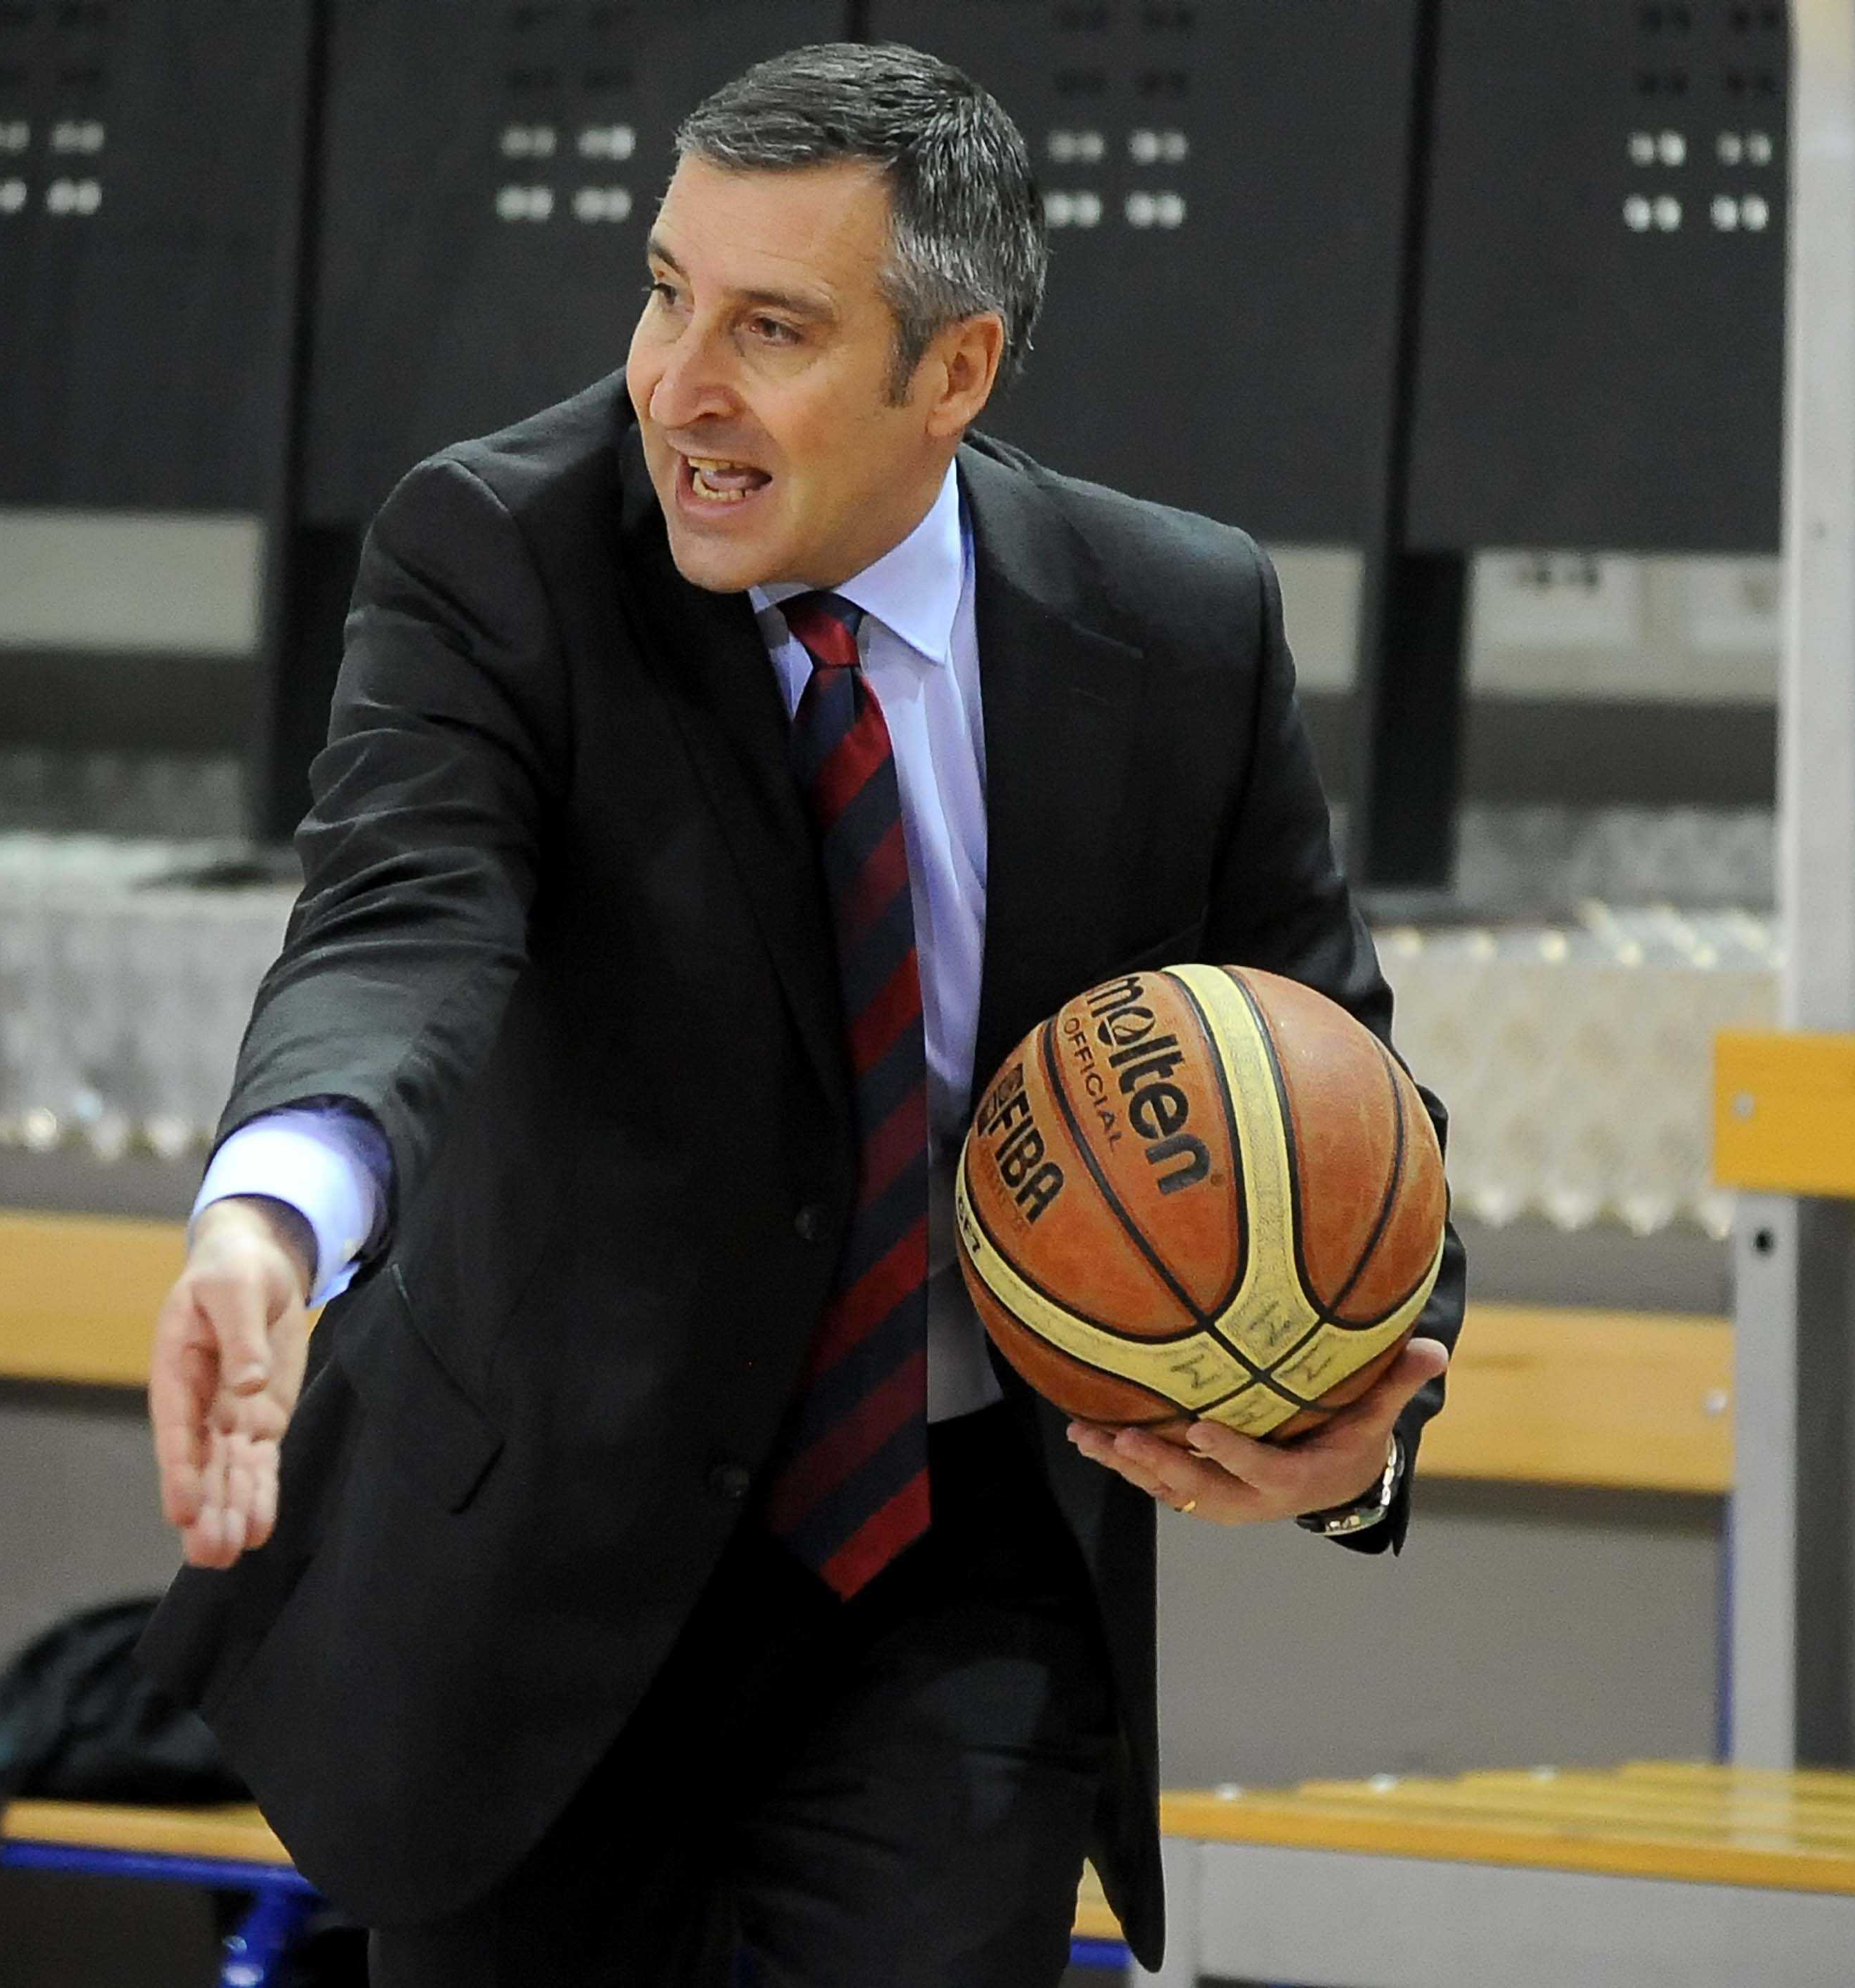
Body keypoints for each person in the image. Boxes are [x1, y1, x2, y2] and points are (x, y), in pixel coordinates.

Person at [140, 42, 1462, 1987]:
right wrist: (273, 1216)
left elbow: (1339, 1082)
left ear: (956, 371)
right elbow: (400, 925)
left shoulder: (1177, 625)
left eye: (771, 328)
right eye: (665, 294)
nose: (679, 385)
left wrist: (1356, 1425)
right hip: (544, 1566)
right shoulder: (499, 553)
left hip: (957, 1573)